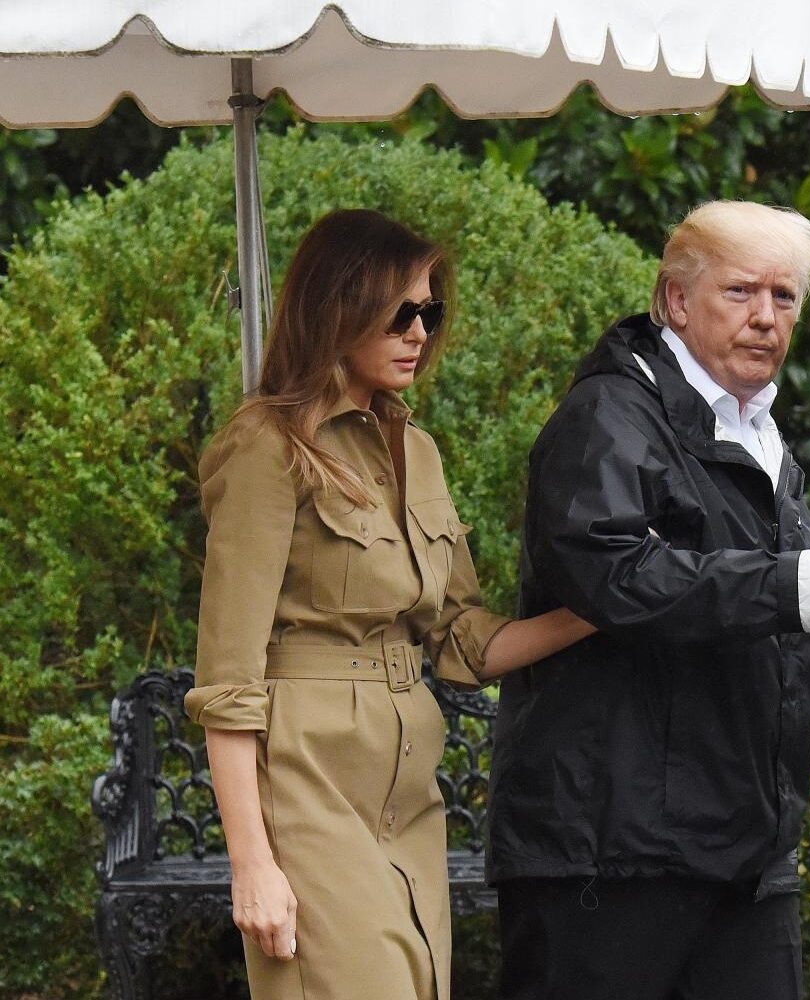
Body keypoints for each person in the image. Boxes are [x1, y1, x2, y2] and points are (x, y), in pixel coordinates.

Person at [492, 200, 810, 1000]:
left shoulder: (758, 425)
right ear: (676, 301)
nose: (766, 318)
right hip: (610, 853)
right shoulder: (608, 415)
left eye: (784, 297)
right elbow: (610, 577)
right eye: (741, 291)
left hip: (744, 852)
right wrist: (800, 582)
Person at [185, 208, 595, 1000]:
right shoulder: (268, 445)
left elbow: (463, 642)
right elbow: (228, 680)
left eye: (430, 312)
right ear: (337, 306)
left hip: (410, 792)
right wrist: (253, 864)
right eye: (399, 312)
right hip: (309, 782)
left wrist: (603, 611)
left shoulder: (419, 450)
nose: (419, 333)